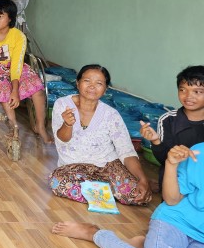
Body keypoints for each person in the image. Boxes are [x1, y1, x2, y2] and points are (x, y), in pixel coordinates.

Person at [52, 144, 204, 248]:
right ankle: (95, 234)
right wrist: (171, 165)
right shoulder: (199, 152)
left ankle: (150, 247)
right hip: (176, 222)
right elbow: (172, 199)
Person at [49, 65, 151, 206]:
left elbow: (126, 151)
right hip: (73, 168)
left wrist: (142, 179)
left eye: (99, 83)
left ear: (105, 89)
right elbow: (63, 139)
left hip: (107, 166)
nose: (92, 86)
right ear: (78, 83)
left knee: (138, 195)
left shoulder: (111, 114)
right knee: (57, 181)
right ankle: (108, 193)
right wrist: (67, 124)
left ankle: (101, 192)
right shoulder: (63, 105)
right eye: (87, 81)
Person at [0, 0, 52, 144]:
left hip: (15, 68)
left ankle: (40, 126)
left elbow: (16, 65)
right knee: (4, 90)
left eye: (0, 16)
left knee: (37, 89)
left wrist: (15, 89)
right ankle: (13, 126)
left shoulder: (18, 36)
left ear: (10, 19)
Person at [142, 65, 204, 192]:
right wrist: (155, 141)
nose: (188, 96)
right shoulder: (168, 120)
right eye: (183, 90)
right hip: (176, 184)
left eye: (197, 92)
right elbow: (164, 160)